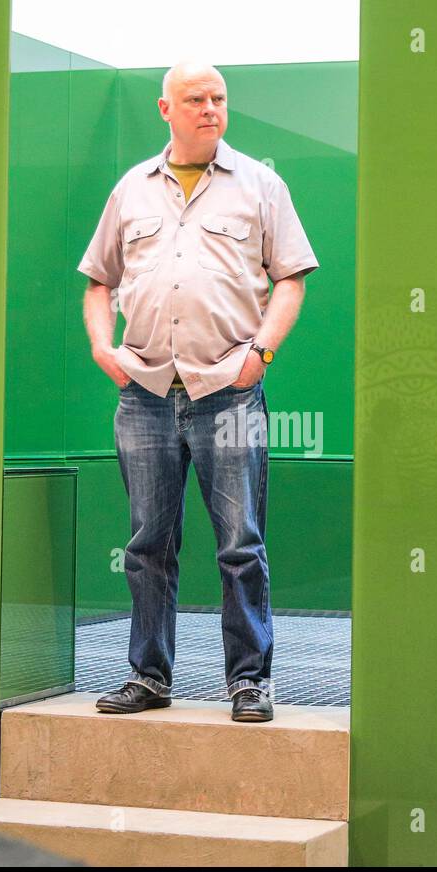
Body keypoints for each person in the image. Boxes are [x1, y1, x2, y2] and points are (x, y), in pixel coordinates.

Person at [76, 60, 318, 722]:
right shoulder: (131, 190)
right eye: (195, 98)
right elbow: (99, 281)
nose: (210, 108)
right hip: (146, 393)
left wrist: (261, 353)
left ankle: (249, 683)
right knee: (147, 545)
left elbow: (291, 277)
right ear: (165, 109)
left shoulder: (261, 186)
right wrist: (103, 347)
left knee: (240, 543)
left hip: (229, 393)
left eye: (218, 98)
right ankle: (148, 678)